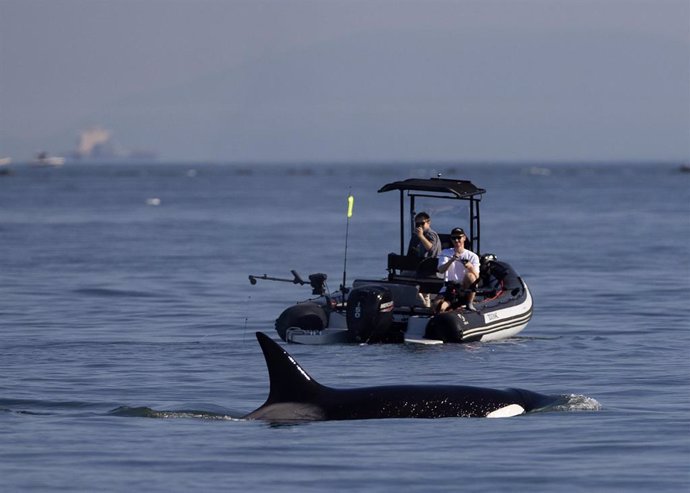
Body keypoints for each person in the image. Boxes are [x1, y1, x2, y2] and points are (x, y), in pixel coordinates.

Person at [436, 227, 480, 312]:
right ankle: (450, 306)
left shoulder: (472, 256)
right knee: (438, 306)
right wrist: (451, 260)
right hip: (450, 287)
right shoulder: (445, 253)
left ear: (464, 238)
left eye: (459, 238)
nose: (456, 240)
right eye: (454, 238)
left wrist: (470, 267)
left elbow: (477, 277)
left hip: (464, 287)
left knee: (471, 275)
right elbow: (441, 270)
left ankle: (469, 303)